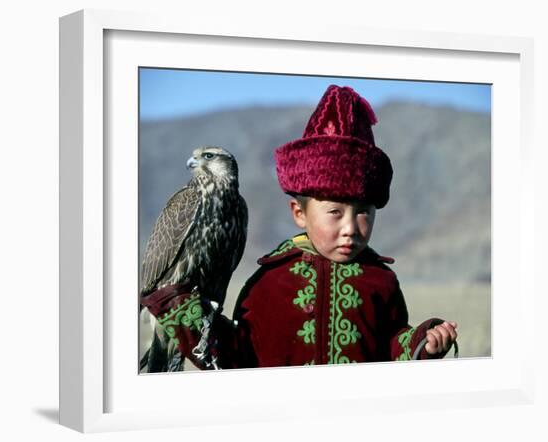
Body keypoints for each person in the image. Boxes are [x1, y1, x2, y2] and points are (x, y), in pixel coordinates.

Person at [140, 84, 457, 370]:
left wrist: (421, 343)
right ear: (299, 213)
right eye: (335, 212)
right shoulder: (270, 282)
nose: (350, 227)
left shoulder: (381, 281)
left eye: (364, 213)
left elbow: (391, 347)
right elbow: (239, 355)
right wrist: (184, 313)